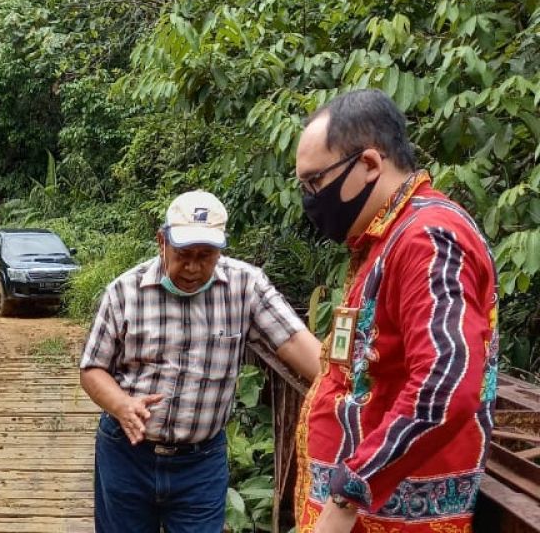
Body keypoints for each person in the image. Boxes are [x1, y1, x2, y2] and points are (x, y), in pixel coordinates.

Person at [293, 89, 498, 533]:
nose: (310, 198)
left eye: (314, 182)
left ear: (369, 164)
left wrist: (351, 492)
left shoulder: (428, 238)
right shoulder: (384, 238)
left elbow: (446, 383)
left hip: (387, 518)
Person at [80, 190, 321, 533]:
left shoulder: (245, 287)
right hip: (127, 454)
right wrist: (121, 404)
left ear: (220, 250)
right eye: (183, 254)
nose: (193, 268)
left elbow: (296, 341)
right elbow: (92, 368)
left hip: (200, 463)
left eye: (205, 256)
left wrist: (345, 386)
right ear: (161, 241)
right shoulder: (124, 292)